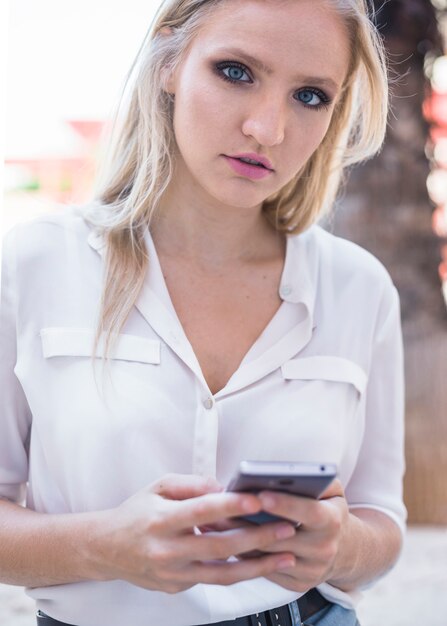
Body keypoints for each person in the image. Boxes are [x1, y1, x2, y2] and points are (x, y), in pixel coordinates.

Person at [0, 1, 406, 625]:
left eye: (309, 96)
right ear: (169, 62)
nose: (268, 129)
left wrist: (339, 545)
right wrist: (106, 545)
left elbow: (382, 523)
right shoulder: (30, 266)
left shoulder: (358, 287)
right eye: (236, 72)